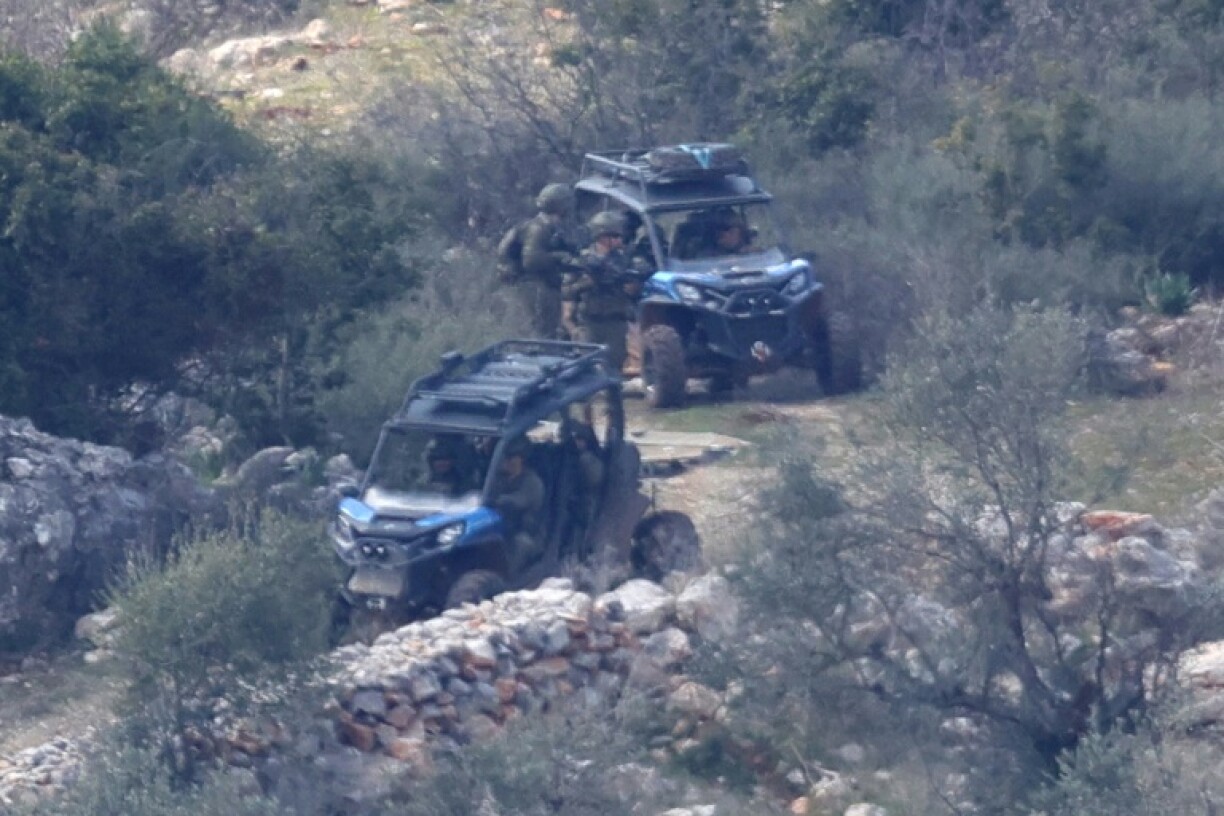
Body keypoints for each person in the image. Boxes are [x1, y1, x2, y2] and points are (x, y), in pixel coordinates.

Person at [561, 211, 642, 374]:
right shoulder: (582, 260)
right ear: (602, 236)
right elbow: (566, 291)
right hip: (589, 321)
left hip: (616, 321)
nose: (620, 240)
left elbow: (637, 287)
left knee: (614, 368)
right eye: (615, 236)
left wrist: (633, 287)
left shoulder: (626, 260)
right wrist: (585, 284)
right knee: (587, 369)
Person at [519, 183, 583, 339]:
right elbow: (531, 260)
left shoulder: (552, 225)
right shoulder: (539, 228)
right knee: (544, 331)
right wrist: (559, 257)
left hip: (548, 285)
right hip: (538, 287)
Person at [488, 436, 546, 572]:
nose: (507, 462)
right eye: (506, 457)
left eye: (512, 457)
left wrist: (497, 500)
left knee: (521, 543)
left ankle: (509, 578)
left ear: (522, 459)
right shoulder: (497, 478)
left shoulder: (532, 482)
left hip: (527, 532)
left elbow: (520, 501)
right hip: (499, 528)